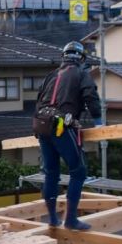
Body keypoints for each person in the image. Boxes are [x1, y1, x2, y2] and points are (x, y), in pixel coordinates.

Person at [35, 41, 102, 230]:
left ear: (64, 56)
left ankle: (52, 219)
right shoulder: (81, 74)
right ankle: (71, 220)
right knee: (78, 171)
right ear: (81, 58)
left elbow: (39, 99)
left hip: (42, 125)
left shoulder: (52, 74)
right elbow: (90, 96)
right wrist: (98, 121)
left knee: (51, 173)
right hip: (61, 126)